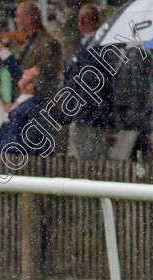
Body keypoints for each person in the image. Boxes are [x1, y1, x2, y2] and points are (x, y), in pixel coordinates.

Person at [60, 4, 112, 162]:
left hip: (86, 118)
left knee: (87, 162)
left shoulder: (92, 49)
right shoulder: (100, 46)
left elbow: (85, 86)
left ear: (82, 21)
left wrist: (73, 112)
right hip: (92, 116)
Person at [0, 1, 61, 101]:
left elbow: (50, 69)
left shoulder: (47, 42)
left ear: (29, 18)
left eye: (18, 16)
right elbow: (22, 71)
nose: (16, 20)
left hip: (38, 103)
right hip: (27, 102)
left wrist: (32, 73)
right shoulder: (31, 41)